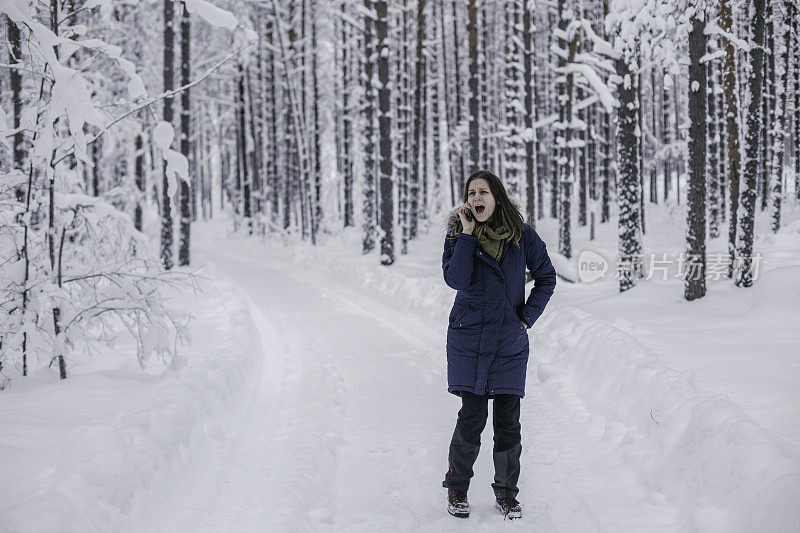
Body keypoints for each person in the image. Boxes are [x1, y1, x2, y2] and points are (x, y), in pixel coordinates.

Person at [441, 170, 557, 520]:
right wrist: (467, 236)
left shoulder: (522, 237)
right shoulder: (458, 235)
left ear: (497, 197)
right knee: (472, 418)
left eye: (484, 192)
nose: (477, 197)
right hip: (468, 338)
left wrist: (525, 318)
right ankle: (457, 488)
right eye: (471, 192)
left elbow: (546, 278)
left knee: (508, 423)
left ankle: (507, 493)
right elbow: (454, 278)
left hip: (508, 341)